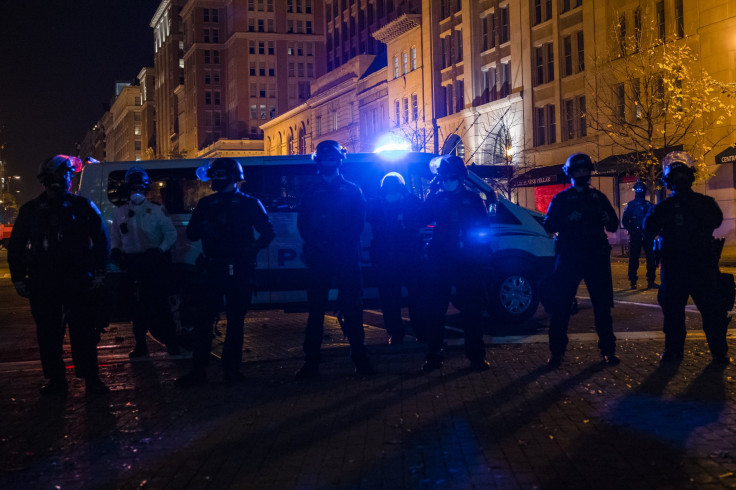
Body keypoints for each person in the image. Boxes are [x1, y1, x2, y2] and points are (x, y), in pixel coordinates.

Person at [8, 155, 110, 395]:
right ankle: (56, 379)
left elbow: (101, 240)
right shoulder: (32, 210)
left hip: (76, 279)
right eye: (61, 175)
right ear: (48, 179)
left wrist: (98, 271)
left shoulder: (81, 207)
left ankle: (90, 378)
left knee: (84, 331)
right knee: (48, 334)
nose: (65, 179)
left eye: (66, 175)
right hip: (45, 281)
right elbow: (17, 246)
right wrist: (18, 277)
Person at [175, 157, 275, 386]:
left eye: (218, 176)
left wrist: (252, 250)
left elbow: (267, 231)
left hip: (239, 268)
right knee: (204, 321)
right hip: (213, 267)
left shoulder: (249, 203)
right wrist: (205, 224)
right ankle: (200, 370)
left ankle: (231, 369)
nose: (214, 180)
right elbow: (192, 234)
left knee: (235, 321)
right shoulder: (207, 204)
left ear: (231, 177)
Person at [295, 140, 373, 378]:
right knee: (316, 311)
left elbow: (357, 224)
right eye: (325, 159)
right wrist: (318, 244)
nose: (329, 162)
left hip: (344, 256)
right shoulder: (309, 191)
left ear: (340, 160)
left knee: (353, 309)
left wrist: (337, 244)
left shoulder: (352, 190)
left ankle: (360, 358)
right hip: (319, 257)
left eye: (333, 158)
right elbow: (303, 224)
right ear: (318, 161)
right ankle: (311, 361)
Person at [644, 151, 730, 365]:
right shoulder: (703, 202)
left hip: (680, 268)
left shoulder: (665, 208)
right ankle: (718, 353)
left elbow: (648, 227)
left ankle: (676, 353)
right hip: (697, 267)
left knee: (682, 314)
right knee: (709, 312)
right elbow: (716, 221)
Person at [543, 153, 620, 367]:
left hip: (595, 255)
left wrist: (607, 219)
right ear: (570, 173)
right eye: (577, 171)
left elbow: (614, 224)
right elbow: (549, 225)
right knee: (561, 305)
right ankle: (557, 352)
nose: (581, 174)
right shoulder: (561, 199)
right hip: (570, 256)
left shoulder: (598, 197)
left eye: (584, 170)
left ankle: (608, 350)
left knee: (602, 306)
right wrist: (568, 219)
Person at [419, 155, 491, 373]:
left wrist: (480, 255)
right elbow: (421, 217)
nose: (447, 182)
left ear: (460, 178)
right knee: (435, 310)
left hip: (467, 261)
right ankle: (434, 354)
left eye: (451, 177)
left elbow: (483, 229)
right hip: (441, 260)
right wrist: (431, 192)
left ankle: (476, 357)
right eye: (444, 178)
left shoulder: (473, 200)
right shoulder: (437, 199)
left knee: (472, 311)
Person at [110, 166, 180, 358]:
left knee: (161, 305)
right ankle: (140, 345)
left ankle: (172, 344)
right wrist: (116, 252)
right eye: (133, 190)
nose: (137, 194)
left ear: (146, 189)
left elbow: (170, 234)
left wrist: (159, 251)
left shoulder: (157, 210)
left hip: (154, 264)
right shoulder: (121, 212)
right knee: (136, 308)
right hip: (133, 263)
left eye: (140, 189)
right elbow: (115, 235)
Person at [366, 172, 424, 344]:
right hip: (400, 257)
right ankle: (414, 332)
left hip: (396, 257)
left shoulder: (378, 204)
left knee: (394, 299)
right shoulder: (381, 204)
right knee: (406, 298)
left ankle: (401, 333)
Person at [622, 181, 657, 289]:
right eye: (639, 190)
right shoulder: (634, 205)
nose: (639, 192)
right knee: (636, 258)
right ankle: (635, 281)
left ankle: (646, 281)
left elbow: (656, 221)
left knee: (649, 258)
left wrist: (651, 232)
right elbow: (625, 221)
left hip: (644, 235)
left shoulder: (647, 205)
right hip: (638, 235)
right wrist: (633, 230)